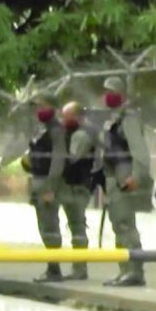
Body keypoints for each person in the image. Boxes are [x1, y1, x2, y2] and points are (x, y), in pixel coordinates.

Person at [101, 76, 150, 287]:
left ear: (120, 93)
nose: (107, 95)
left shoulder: (129, 117)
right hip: (114, 176)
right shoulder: (115, 118)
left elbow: (140, 151)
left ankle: (134, 271)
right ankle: (124, 270)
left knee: (125, 225)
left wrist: (137, 176)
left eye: (111, 91)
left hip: (125, 173)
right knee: (118, 225)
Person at [26, 93, 67, 283]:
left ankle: (54, 269)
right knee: (44, 227)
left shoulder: (56, 130)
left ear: (51, 107)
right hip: (37, 180)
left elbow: (58, 160)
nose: (37, 110)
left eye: (41, 106)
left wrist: (51, 187)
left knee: (50, 226)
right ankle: (52, 267)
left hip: (47, 183)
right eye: (36, 106)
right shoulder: (41, 130)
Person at [58, 101, 99, 280]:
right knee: (75, 226)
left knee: (77, 227)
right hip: (72, 184)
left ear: (77, 116)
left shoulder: (82, 134)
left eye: (66, 117)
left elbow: (71, 159)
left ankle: (80, 269)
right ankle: (78, 268)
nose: (62, 121)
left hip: (77, 186)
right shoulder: (74, 131)